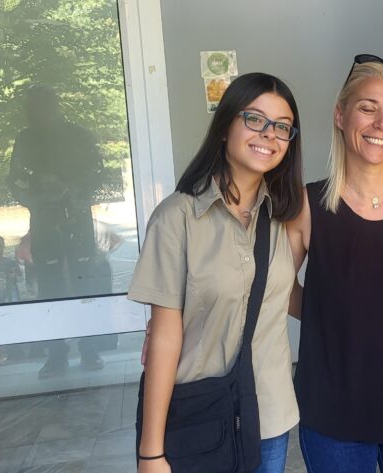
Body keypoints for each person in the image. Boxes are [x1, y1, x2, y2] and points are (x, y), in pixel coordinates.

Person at [130, 72, 304, 473]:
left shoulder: (285, 217)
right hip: (201, 417)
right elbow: (164, 338)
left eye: (282, 126)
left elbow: (287, 296)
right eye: (254, 119)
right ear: (225, 127)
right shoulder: (177, 218)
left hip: (269, 415)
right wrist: (150, 451)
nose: (269, 134)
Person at [286, 55, 383, 472]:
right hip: (333, 411)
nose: (381, 125)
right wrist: (334, 317)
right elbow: (276, 288)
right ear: (340, 115)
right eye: (368, 108)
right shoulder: (307, 205)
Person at [8, 85, 111, 376]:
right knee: (49, 286)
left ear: (54, 105)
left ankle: (89, 348)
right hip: (44, 221)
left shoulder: (78, 135)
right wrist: (37, 197)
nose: (34, 113)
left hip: (76, 219)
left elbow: (98, 173)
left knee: (84, 282)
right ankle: (56, 354)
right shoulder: (25, 139)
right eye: (31, 107)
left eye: (40, 106)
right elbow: (15, 179)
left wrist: (71, 191)